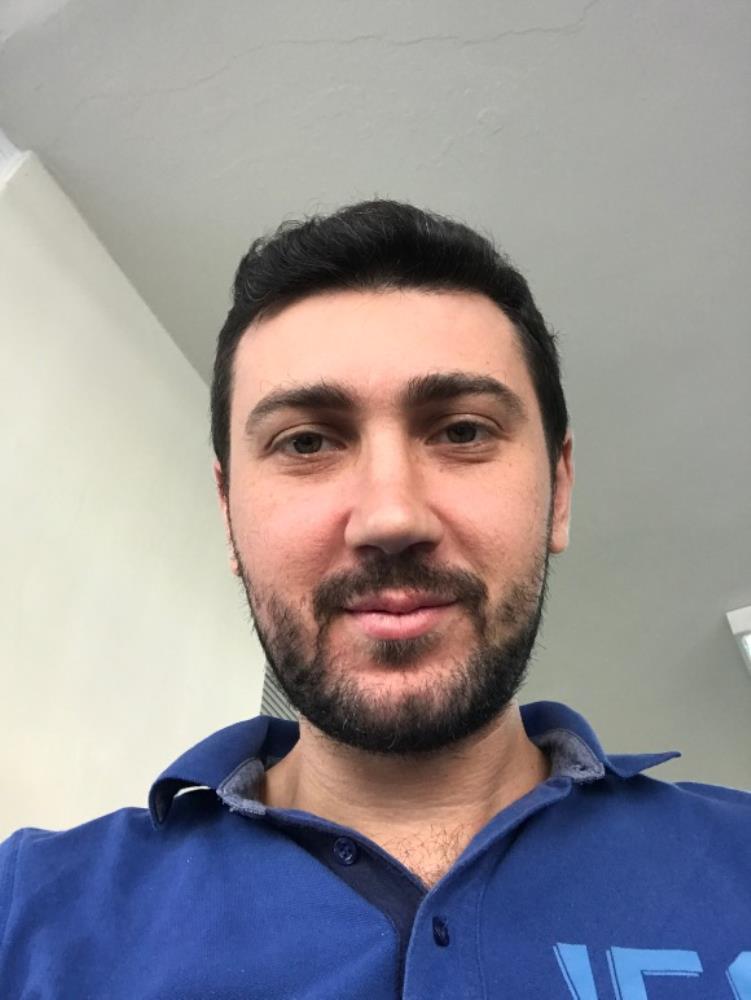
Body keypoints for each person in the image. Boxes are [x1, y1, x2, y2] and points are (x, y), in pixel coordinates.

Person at [1, 201, 749, 999]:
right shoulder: (26, 910)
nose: (391, 517)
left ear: (557, 492)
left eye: (461, 431)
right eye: (306, 442)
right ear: (228, 513)